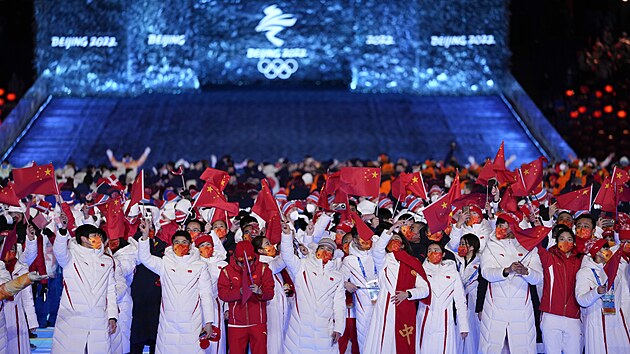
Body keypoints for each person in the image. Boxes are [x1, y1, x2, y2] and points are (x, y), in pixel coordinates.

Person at [138, 222, 216, 354]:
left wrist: (208, 322)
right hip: (168, 323)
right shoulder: (164, 263)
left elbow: (206, 295)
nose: (181, 245)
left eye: (184, 242)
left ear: (190, 245)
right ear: (172, 245)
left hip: (192, 322)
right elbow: (145, 258)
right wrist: (145, 237)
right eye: (177, 242)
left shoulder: (200, 266)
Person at [51, 217, 118, 353]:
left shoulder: (107, 261)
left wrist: (112, 316)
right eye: (94, 236)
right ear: (84, 239)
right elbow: (58, 251)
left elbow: (110, 291)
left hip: (98, 319)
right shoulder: (71, 257)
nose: (98, 239)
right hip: (73, 320)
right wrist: (62, 231)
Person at [363, 221, 431, 354]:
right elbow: (377, 250)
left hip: (405, 308)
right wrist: (391, 229)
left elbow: (425, 290)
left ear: (404, 245)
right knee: (383, 341)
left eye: (397, 239)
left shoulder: (413, 263)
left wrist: (408, 294)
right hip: (385, 307)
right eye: (391, 240)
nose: (394, 241)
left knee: (400, 345)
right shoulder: (383, 259)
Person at [479, 216, 543, 354]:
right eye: (500, 225)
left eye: (508, 225)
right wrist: (506, 270)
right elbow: (486, 272)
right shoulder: (490, 245)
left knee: (523, 347)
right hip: (495, 307)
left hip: (521, 308)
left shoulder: (529, 247)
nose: (504, 228)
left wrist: (526, 272)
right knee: (491, 347)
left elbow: (538, 277)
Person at [281, 223, 346, 354]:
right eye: (322, 248)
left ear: (333, 255)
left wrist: (339, 327)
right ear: (316, 250)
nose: (325, 252)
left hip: (324, 329)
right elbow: (287, 256)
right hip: (300, 328)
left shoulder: (338, 276)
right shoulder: (302, 266)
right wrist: (287, 236)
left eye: (329, 250)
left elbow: (339, 304)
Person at [218, 240, 274, 354]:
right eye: (241, 262)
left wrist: (259, 291)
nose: (245, 265)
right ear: (235, 257)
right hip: (236, 323)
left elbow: (270, 293)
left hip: (258, 321)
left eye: (249, 261)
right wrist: (239, 292)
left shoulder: (263, 269)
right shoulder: (227, 271)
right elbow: (223, 294)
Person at [576, 238, 630, 353]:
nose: (608, 250)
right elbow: (581, 300)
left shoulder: (616, 270)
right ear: (596, 251)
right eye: (605, 248)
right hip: (596, 322)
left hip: (616, 320)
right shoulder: (585, 272)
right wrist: (596, 292)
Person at [537, 225, 583, 354]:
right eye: (561, 239)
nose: (565, 242)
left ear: (574, 243)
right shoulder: (549, 258)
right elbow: (537, 245)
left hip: (573, 316)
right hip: (551, 315)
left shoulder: (581, 261)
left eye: (569, 239)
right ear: (556, 242)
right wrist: (540, 224)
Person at [417, 242, 468, 353]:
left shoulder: (453, 272)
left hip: (445, 320)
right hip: (425, 318)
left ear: (443, 254)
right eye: (429, 250)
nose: (433, 252)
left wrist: (463, 326)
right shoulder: (420, 271)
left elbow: (460, 300)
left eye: (436, 250)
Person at [130, 219, 167, 354]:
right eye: (145, 225)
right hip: (138, 293)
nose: (148, 228)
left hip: (156, 294)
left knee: (155, 332)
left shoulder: (163, 246)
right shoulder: (131, 243)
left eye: (151, 225)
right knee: (137, 332)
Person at [253, 236, 293, 354]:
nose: (272, 246)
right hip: (272, 305)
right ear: (260, 250)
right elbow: (284, 260)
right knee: (273, 337)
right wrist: (287, 238)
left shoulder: (270, 261)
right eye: (267, 243)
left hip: (279, 303)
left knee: (281, 335)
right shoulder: (264, 263)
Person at [341, 227, 377, 353]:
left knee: (383, 334)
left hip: (382, 298)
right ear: (355, 240)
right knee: (364, 335)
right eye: (361, 237)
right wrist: (345, 283)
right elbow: (340, 279)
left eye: (368, 237)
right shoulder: (349, 260)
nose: (365, 240)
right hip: (362, 300)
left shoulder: (379, 254)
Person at [3, 224, 38, 354]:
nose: (10, 251)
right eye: (7, 248)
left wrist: (31, 321)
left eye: (13, 248)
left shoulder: (20, 266)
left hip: (17, 317)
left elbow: (27, 297)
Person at [196, 230, 228, 354]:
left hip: (215, 305)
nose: (206, 248)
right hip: (196, 306)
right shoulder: (193, 263)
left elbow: (227, 288)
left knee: (215, 342)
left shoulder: (223, 265)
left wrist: (226, 308)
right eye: (202, 245)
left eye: (208, 245)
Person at [452, 233, 481, 354]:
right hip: (459, 301)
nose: (460, 246)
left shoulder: (481, 261)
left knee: (473, 332)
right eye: (460, 244)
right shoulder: (455, 260)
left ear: (472, 247)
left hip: (473, 300)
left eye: (464, 244)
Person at [110, 235, 138, 354]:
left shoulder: (127, 257)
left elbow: (122, 278)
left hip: (121, 301)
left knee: (120, 339)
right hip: (112, 303)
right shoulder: (112, 257)